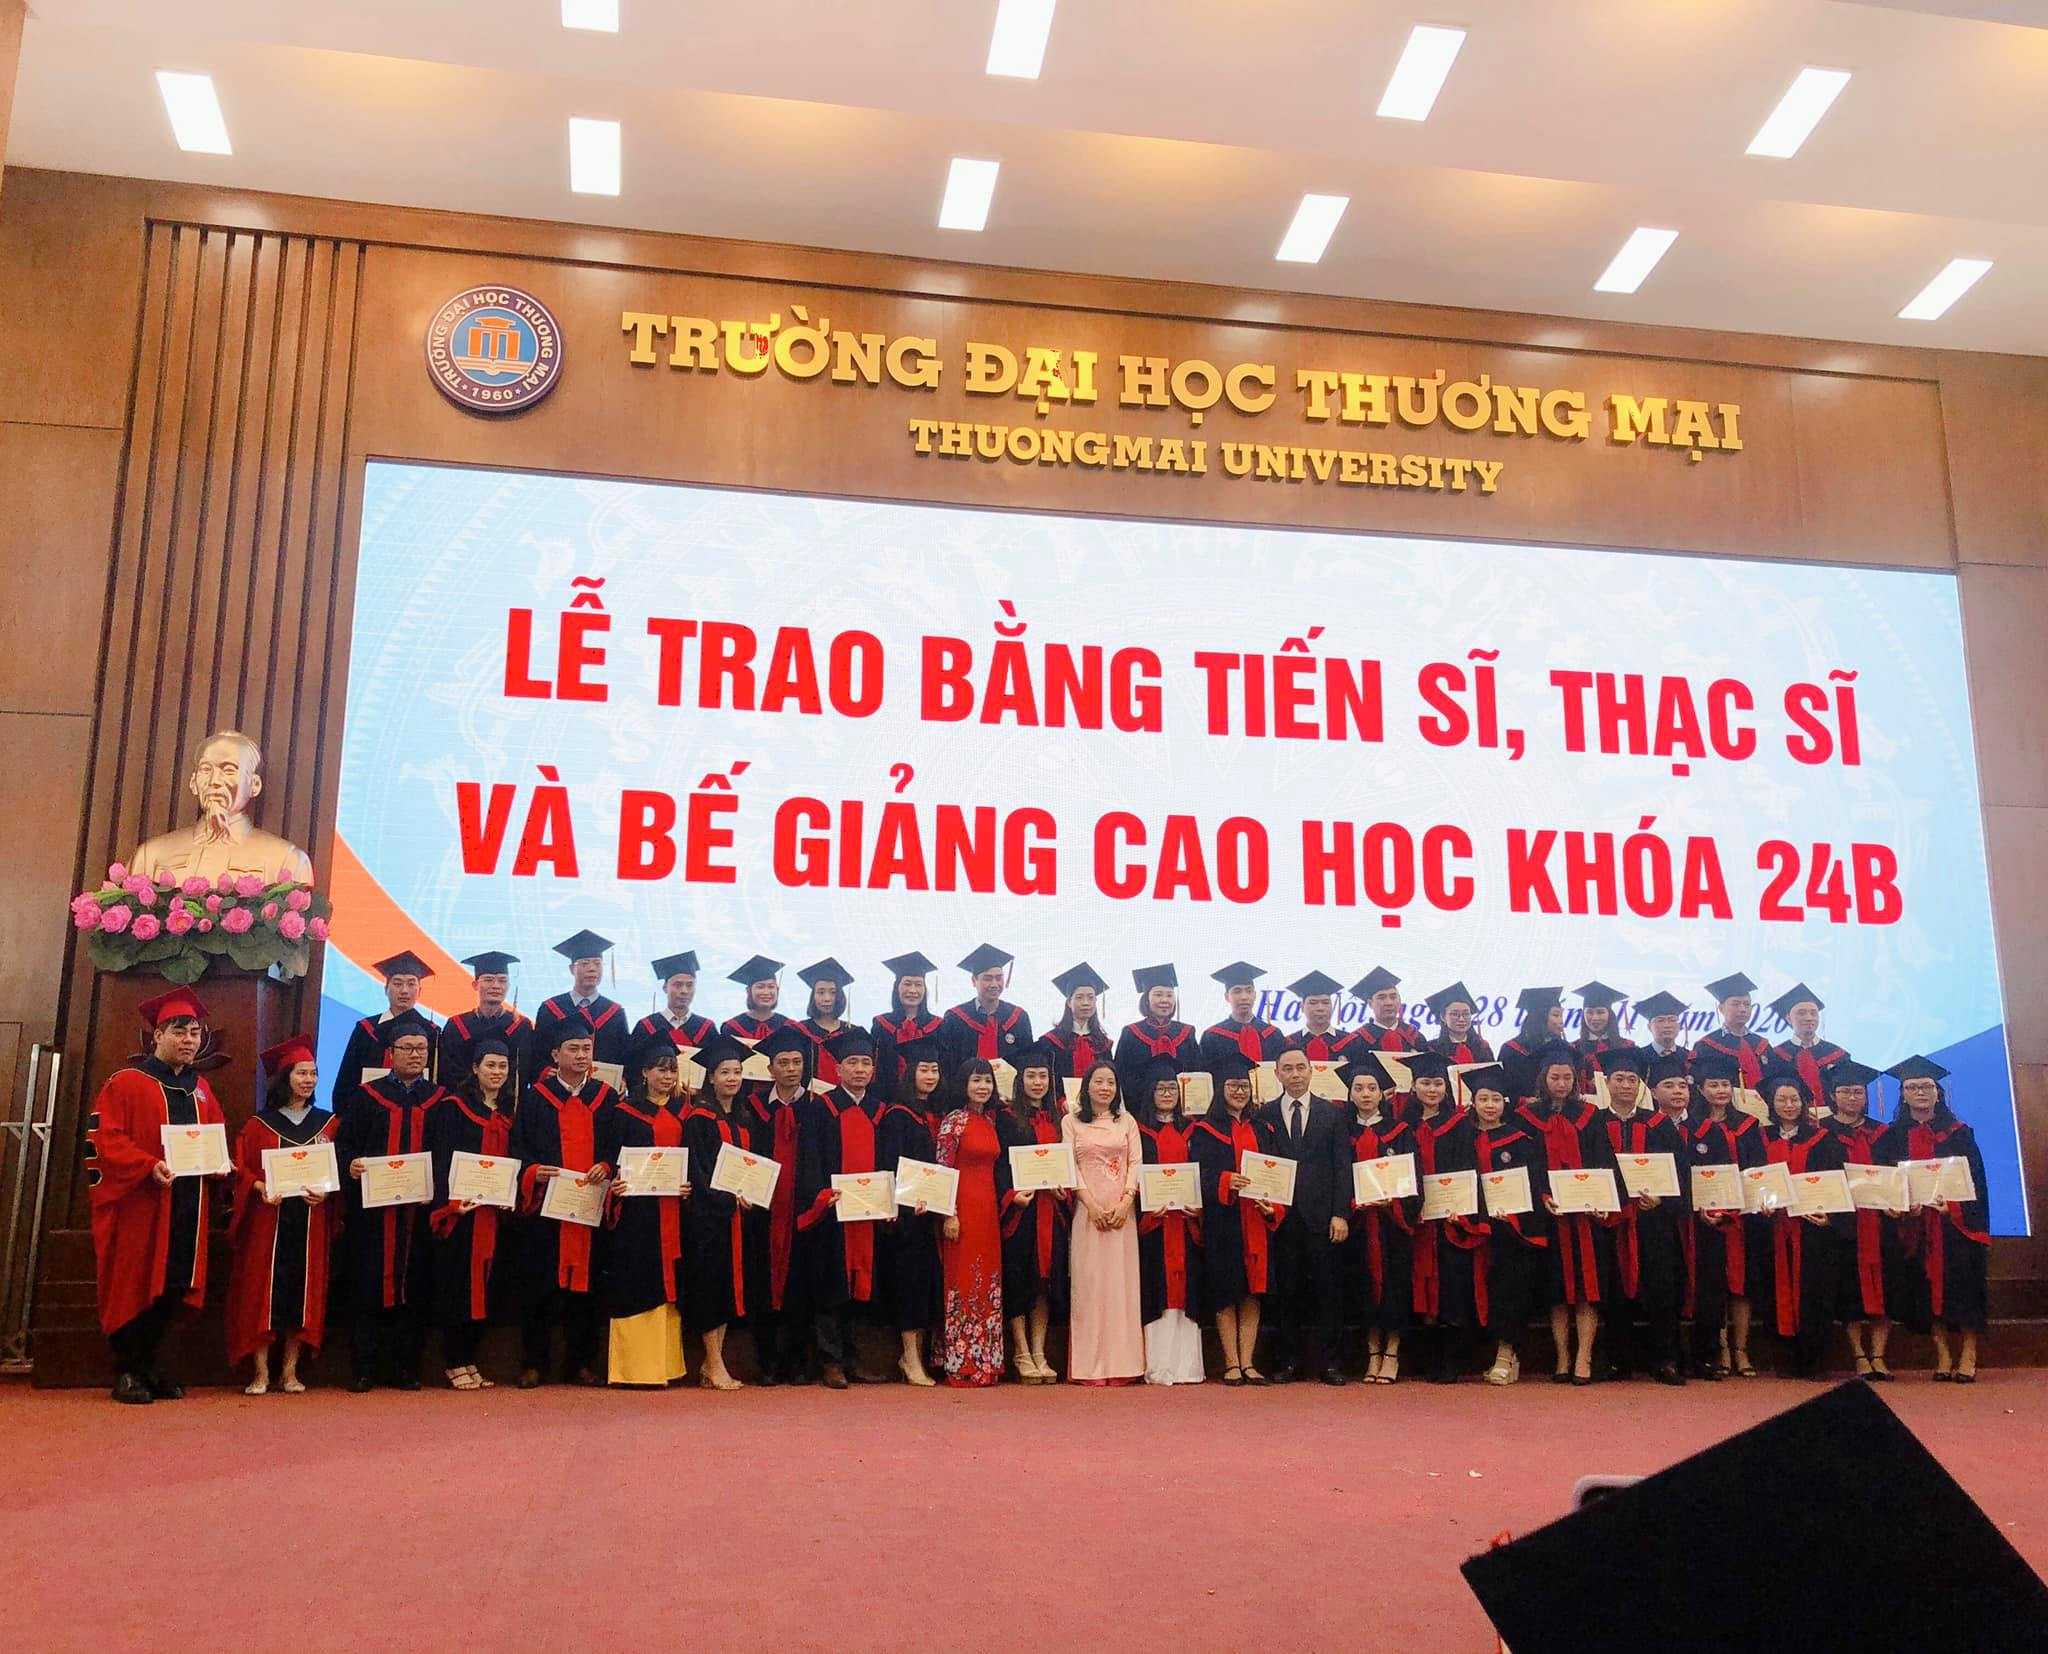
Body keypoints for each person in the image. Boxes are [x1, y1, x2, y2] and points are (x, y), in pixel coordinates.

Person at [87, 989, 230, 1404]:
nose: (189, 1040)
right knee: (133, 1284)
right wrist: (147, 1165)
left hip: (186, 1205)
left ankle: (149, 1366)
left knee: (170, 1284)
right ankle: (126, 1371)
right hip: (142, 1205)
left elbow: (214, 1138)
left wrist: (222, 1164)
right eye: (179, 1032)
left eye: (195, 1033)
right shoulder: (127, 1083)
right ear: (157, 1036)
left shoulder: (201, 1088)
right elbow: (104, 1140)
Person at [336, 1014, 445, 1391]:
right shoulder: (367, 1096)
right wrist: (350, 1164)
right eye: (408, 1048)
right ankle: (364, 1367)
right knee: (367, 1283)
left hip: (419, 1212)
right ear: (391, 1053)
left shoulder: (440, 1100)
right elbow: (345, 1145)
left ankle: (405, 1368)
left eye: (421, 1049)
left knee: (414, 1286)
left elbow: (446, 1155)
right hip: (373, 1213)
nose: (415, 1055)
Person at [509, 1015, 618, 1387]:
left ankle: (580, 1363)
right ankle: (534, 1363)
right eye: (573, 1049)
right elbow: (518, 1147)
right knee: (539, 1288)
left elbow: (618, 1147)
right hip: (546, 1207)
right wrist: (532, 1171)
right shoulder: (535, 1098)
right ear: (555, 1055)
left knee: (587, 1291)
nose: (581, 1055)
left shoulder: (606, 1098)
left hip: (589, 1206)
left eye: (587, 1049)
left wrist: (607, 1165)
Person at [226, 1035, 338, 1395]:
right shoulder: (260, 1125)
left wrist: (327, 1191)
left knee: (301, 1294)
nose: (309, 1080)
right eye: (301, 1073)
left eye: (313, 1073)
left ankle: (290, 1372)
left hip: (310, 1218)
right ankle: (260, 1372)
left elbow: (335, 1172)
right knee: (263, 1292)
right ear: (285, 1077)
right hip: (269, 1219)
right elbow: (241, 1169)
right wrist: (260, 1187)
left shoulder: (328, 1124)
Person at [1876, 1055, 1990, 1383]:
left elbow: (1977, 1182)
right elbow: (1885, 1184)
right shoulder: (1891, 1138)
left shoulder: (1960, 1134)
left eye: (1926, 1086)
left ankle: (1968, 1354)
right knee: (1925, 1292)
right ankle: (1942, 1355)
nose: (1920, 1092)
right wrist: (1898, 1206)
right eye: (1912, 1087)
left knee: (1964, 1289)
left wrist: (1953, 1208)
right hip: (1916, 1229)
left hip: (1955, 1228)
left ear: (1938, 1092)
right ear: (1903, 1095)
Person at [795, 1027, 890, 1389]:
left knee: (862, 1286)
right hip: (833, 1213)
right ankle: (830, 1361)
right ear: (837, 1069)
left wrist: (888, 1197)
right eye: (852, 1062)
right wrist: (821, 1196)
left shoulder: (881, 1111)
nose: (859, 1069)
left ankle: (855, 1358)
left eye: (865, 1063)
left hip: (868, 1214)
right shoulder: (822, 1109)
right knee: (831, 1285)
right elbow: (810, 1159)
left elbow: (889, 1161)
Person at [598, 1038, 693, 1388]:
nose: (667, 1077)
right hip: (637, 1212)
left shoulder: (686, 1111)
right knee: (639, 1280)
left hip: (674, 1208)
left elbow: (694, 1158)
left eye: (672, 1070)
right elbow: (611, 1157)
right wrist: (615, 1181)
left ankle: (667, 1367)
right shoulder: (625, 1112)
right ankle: (636, 1370)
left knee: (671, 1284)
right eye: (660, 1070)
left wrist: (689, 1185)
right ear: (645, 1072)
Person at [1519, 1038, 1614, 1385]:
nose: (1561, 1084)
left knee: (1588, 1288)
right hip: (1550, 1215)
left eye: (1567, 1078)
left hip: (1586, 1217)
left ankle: (1584, 1356)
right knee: (1556, 1290)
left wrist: (1602, 1199)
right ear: (1543, 1078)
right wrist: (1541, 1196)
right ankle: (1562, 1356)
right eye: (1555, 1077)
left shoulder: (1591, 1116)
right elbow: (1525, 1166)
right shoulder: (1527, 1118)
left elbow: (1604, 1161)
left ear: (1576, 1080)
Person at [1258, 1043, 1353, 1384]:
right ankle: (1288, 1362)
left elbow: (1343, 1167)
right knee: (1287, 1292)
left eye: (1301, 1067)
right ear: (1277, 1074)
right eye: (1288, 1068)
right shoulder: (1264, 1115)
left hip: (1323, 1217)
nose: (1295, 1074)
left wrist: (1341, 1214)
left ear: (1312, 1071)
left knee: (1329, 1292)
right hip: (1281, 1218)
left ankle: (1331, 1363)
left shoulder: (1333, 1114)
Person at [425, 1034, 515, 1391]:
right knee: (458, 1286)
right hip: (461, 1212)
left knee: (486, 1286)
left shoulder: (507, 1113)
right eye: (490, 1065)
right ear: (475, 1068)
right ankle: (454, 1361)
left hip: (492, 1214)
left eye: (503, 1066)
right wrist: (450, 1203)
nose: (497, 1072)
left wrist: (509, 1194)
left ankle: (470, 1358)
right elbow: (442, 1158)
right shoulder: (454, 1108)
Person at [1597, 1045, 1687, 1386]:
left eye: (1632, 1079)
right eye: (1619, 1079)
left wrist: (1663, 1198)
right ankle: (1618, 1361)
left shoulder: (1659, 1124)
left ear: (1640, 1085)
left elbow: (1680, 1170)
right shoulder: (1593, 1124)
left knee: (1661, 1288)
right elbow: (1587, 1170)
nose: (1625, 1085)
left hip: (1654, 1220)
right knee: (1615, 1290)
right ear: (1607, 1082)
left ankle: (1666, 1360)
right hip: (1611, 1221)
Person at [1456, 1065, 1549, 1386]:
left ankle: (1506, 1355)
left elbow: (1533, 1186)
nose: (1490, 1105)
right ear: (1473, 1102)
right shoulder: (1461, 1138)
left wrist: (1513, 1213)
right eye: (1483, 1099)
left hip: (1510, 1230)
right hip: (1473, 1228)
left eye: (1496, 1099)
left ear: (1505, 1102)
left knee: (1508, 1291)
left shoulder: (1522, 1140)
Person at [1189, 1052, 1278, 1384]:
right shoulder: (1205, 1130)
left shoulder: (1264, 1128)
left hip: (1256, 1217)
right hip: (1223, 1220)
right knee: (1226, 1290)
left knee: (1252, 1291)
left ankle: (1249, 1362)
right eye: (1233, 1086)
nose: (1239, 1091)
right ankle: (1231, 1362)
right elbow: (1199, 1175)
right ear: (1220, 1089)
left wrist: (1273, 1205)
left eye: (1244, 1086)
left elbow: (1277, 1173)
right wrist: (1226, 1181)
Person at [1750, 1066, 1842, 1378]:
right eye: (1782, 1099)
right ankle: (1786, 1357)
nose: (1789, 1105)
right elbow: (1751, 1179)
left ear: (1803, 1102)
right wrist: (1759, 1205)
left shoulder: (1823, 1140)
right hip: (1773, 1230)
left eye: (1794, 1099)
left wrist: (1830, 1215)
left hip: (1812, 1231)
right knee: (1774, 1290)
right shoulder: (1759, 1139)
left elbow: (1836, 1182)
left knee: (1814, 1291)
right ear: (1771, 1104)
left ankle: (1814, 1360)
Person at [1062, 1061, 1144, 1383]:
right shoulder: (1071, 1122)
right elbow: (1069, 1165)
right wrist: (1090, 1205)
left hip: (1122, 1214)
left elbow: (1135, 1162)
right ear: (1087, 1086)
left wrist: (1126, 1201)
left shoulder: (1127, 1121)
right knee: (1090, 1287)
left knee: (1121, 1288)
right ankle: (1090, 1367)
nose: (1105, 1088)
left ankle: (1123, 1365)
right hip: (1088, 1213)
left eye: (1110, 1082)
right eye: (1099, 1081)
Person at [994, 1040, 1070, 1383]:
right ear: (1020, 1080)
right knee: (1019, 1280)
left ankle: (1039, 1351)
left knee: (1044, 1283)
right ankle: (1021, 1351)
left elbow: (1067, 1163)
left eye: (1042, 1076)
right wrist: (1012, 1195)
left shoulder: (1060, 1119)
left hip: (1051, 1211)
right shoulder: (1007, 1118)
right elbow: (999, 1166)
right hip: (1021, 1212)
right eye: (1031, 1076)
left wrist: (1063, 1188)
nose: (1037, 1082)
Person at [1338, 1052, 1416, 1384]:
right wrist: (1351, 1204)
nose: (1365, 1094)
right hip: (1358, 1224)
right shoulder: (1341, 1131)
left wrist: (1393, 1201)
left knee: (1395, 1287)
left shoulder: (1400, 1131)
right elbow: (1336, 1176)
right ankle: (1372, 1353)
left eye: (1372, 1088)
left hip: (1391, 1224)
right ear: (1350, 1093)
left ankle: (1392, 1353)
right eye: (1358, 1088)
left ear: (1382, 1093)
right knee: (1363, 1288)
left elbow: (1412, 1176)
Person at [740, 1022, 810, 1384]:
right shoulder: (752, 1108)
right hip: (762, 1211)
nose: (791, 1069)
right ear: (770, 1068)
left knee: (801, 1285)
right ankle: (766, 1362)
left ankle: (795, 1363)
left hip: (803, 1210)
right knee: (761, 1283)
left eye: (797, 1062)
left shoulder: (818, 1107)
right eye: (783, 1062)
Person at [1687, 1046, 1763, 1379]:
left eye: (1725, 1085)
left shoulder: (1748, 1125)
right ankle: (1720, 1350)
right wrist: (1704, 1209)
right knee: (1714, 1284)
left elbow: (1758, 1170)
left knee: (1743, 1285)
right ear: (1701, 1089)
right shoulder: (1692, 1126)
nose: (1720, 1090)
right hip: (1708, 1219)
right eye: (1713, 1085)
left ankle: (1741, 1350)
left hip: (1744, 1217)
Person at [681, 1033, 752, 1389]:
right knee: (711, 1288)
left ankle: (715, 1362)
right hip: (707, 1219)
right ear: (710, 1077)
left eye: (737, 1071)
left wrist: (750, 1193)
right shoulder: (699, 1119)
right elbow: (697, 1172)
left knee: (726, 1290)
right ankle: (712, 1361)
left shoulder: (741, 1118)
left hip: (734, 1218)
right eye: (725, 1072)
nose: (732, 1078)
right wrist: (726, 1199)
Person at [1820, 1057, 1896, 1379]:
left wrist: (1896, 1202)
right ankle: (1859, 1355)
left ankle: (1879, 1355)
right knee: (1849, 1291)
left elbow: (1896, 1176)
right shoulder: (1821, 1133)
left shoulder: (1883, 1133)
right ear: (1833, 1095)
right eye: (1845, 1092)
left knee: (1886, 1289)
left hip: (1882, 1222)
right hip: (1843, 1225)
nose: (1852, 1098)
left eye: (1858, 1092)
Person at [876, 1032, 945, 1384]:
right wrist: (904, 1204)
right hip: (907, 1217)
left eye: (935, 1070)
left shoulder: (933, 1114)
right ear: (910, 1072)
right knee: (910, 1286)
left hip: (930, 1213)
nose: (930, 1076)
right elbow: (890, 1165)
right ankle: (909, 1357)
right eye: (924, 1070)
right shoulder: (897, 1115)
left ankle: (918, 1356)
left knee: (926, 1285)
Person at [935, 1058, 1007, 1386]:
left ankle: (986, 1363)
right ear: (964, 1083)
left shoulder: (989, 1121)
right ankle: (960, 1363)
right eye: (976, 1080)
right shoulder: (954, 1121)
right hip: (962, 1210)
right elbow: (943, 1169)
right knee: (963, 1281)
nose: (983, 1087)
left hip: (987, 1212)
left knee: (987, 1282)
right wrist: (949, 1213)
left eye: (987, 1081)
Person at [1406, 1048, 1476, 1383]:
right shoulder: (1402, 1126)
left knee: (1450, 1285)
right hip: (1415, 1221)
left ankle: (1450, 1360)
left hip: (1450, 1220)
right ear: (1413, 1086)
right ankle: (1428, 1357)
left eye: (1437, 1083)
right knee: (1421, 1283)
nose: (1432, 1089)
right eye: (1425, 1083)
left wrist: (1459, 1206)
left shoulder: (1460, 1125)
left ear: (1446, 1088)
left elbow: (1468, 1169)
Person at [1134, 1058, 1204, 1385]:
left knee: (1185, 1292)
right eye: (1161, 1089)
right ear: (1150, 1092)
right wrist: (1148, 1210)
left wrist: (1198, 1208)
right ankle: (1158, 1366)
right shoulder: (1139, 1133)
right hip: (1155, 1225)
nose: (1167, 1094)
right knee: (1156, 1290)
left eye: (1172, 1089)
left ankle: (1186, 1367)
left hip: (1186, 1224)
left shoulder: (1194, 1131)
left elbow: (1202, 1175)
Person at [335, 949, 437, 1110]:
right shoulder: (366, 1029)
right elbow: (347, 1077)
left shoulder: (432, 1032)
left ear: (420, 991)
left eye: (411, 984)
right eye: (397, 983)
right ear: (385, 989)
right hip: (368, 1112)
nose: (404, 990)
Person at [531, 929, 631, 1074]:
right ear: (572, 969)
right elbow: (537, 1051)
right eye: (584, 964)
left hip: (602, 1085)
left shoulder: (615, 1013)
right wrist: (544, 1071)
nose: (592, 969)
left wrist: (622, 1079)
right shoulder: (550, 1008)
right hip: (558, 1084)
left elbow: (623, 1055)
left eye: (597, 964)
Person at [438, 949, 532, 1094]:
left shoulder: (521, 1026)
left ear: (508, 985)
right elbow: (448, 1070)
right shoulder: (456, 1025)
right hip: (464, 1100)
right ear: (475, 985)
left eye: (502, 980)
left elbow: (523, 1070)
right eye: (488, 980)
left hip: (507, 1101)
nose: (496, 986)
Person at [628, 949, 716, 1092]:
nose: (684, 991)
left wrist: (700, 1093)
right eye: (677, 984)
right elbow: (632, 1069)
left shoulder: (707, 1028)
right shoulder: (646, 1026)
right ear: (665, 987)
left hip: (694, 1101)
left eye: (690, 985)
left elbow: (714, 1070)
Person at [938, 942, 1033, 1068]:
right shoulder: (955, 1018)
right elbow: (947, 1064)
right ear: (974, 981)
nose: (994, 984)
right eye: (987, 979)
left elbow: (1028, 1061)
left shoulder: (1019, 1018)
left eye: (999, 978)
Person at [1114, 963, 1198, 1098]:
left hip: (1181, 1105)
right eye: (1158, 995)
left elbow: (1196, 1073)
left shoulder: (1187, 1033)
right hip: (1139, 1105)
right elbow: (1122, 1074)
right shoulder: (1130, 1033)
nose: (1164, 1000)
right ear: (1147, 999)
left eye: (1169, 995)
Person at [871, 950, 944, 1100]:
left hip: (929, 1102)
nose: (912, 990)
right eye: (907, 984)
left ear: (925, 989)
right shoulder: (881, 1025)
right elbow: (878, 1069)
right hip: (889, 1099)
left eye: (918, 985)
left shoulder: (938, 1026)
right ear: (897, 987)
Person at [1770, 983, 1846, 1115]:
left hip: (1833, 1120)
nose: (1809, 1018)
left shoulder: (1838, 1055)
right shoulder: (1775, 1056)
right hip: (1791, 1119)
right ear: (1789, 1018)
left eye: (1813, 1013)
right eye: (1801, 1013)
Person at [1695, 971, 1771, 1091]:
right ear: (1721, 1008)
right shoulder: (1706, 1045)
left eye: (1747, 1004)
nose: (1742, 1009)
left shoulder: (1762, 1045)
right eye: (1736, 1004)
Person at [1042, 962, 1115, 1086]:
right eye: (1079, 997)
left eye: (1090, 997)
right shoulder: (1051, 1041)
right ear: (1069, 1002)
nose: (1086, 1003)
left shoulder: (1103, 1044)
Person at [1198, 961, 1284, 1065]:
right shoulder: (1212, 1037)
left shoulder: (1273, 1035)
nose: (1244, 997)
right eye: (1237, 991)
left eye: (1249, 991)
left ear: (1255, 995)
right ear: (1227, 997)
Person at [795, 957, 854, 1087]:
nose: (827, 998)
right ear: (813, 996)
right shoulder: (798, 1031)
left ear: (840, 996)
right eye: (820, 992)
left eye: (833, 992)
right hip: (806, 1097)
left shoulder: (853, 1032)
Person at [1498, 987, 1563, 1097]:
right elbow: (1503, 1089)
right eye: (1556, 1015)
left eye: (1561, 1015)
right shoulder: (1511, 1050)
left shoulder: (1562, 1049)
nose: (1561, 1021)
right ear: (1539, 1017)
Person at [1281, 970, 1354, 1063]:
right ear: (1302, 1007)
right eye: (1313, 1003)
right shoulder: (1288, 1043)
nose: (1320, 1008)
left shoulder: (1351, 1042)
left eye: (1325, 1003)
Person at [1351, 966, 1424, 1054]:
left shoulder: (1415, 1037)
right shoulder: (1358, 1040)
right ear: (1370, 1003)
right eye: (1382, 997)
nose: (1389, 1003)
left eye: (1393, 997)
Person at [722, 953, 794, 1042]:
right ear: (749, 991)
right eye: (760, 987)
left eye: (771, 986)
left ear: (777, 990)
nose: (766, 992)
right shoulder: (732, 1028)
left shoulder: (790, 1027)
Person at [1571, 981, 1628, 1091]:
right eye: (1589, 1012)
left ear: (1610, 1015)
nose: (1595, 1018)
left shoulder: (1626, 1046)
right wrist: (1587, 1084)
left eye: (1600, 1012)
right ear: (1583, 1015)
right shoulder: (1574, 1048)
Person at [1424, 981, 1493, 1064]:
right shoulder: (1433, 1049)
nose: (1461, 1019)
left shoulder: (1482, 1046)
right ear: (1443, 1017)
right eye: (1455, 1014)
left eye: (1466, 1014)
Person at [1633, 990, 1690, 1065]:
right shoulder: (1638, 1057)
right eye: (1660, 1020)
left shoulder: (1689, 1058)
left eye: (1672, 1020)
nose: (1667, 1025)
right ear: (1649, 1027)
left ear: (1679, 1026)